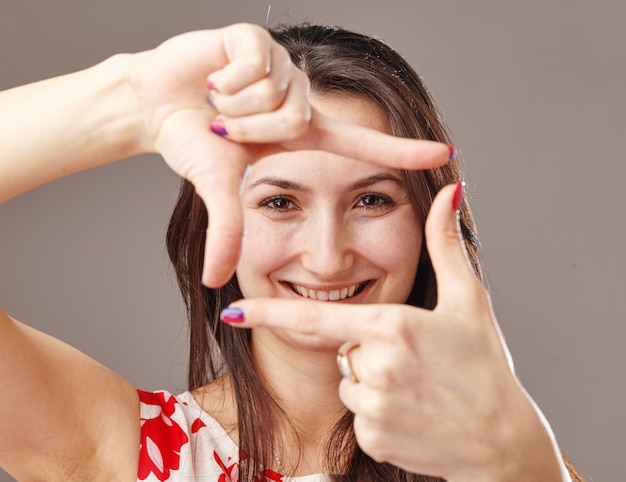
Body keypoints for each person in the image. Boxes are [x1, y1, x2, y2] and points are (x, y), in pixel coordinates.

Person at [0, 21, 583, 482]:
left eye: (373, 200)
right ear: (212, 220)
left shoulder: (505, 460)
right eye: (281, 203)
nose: (327, 257)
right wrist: (133, 101)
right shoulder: (130, 451)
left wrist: (521, 469)